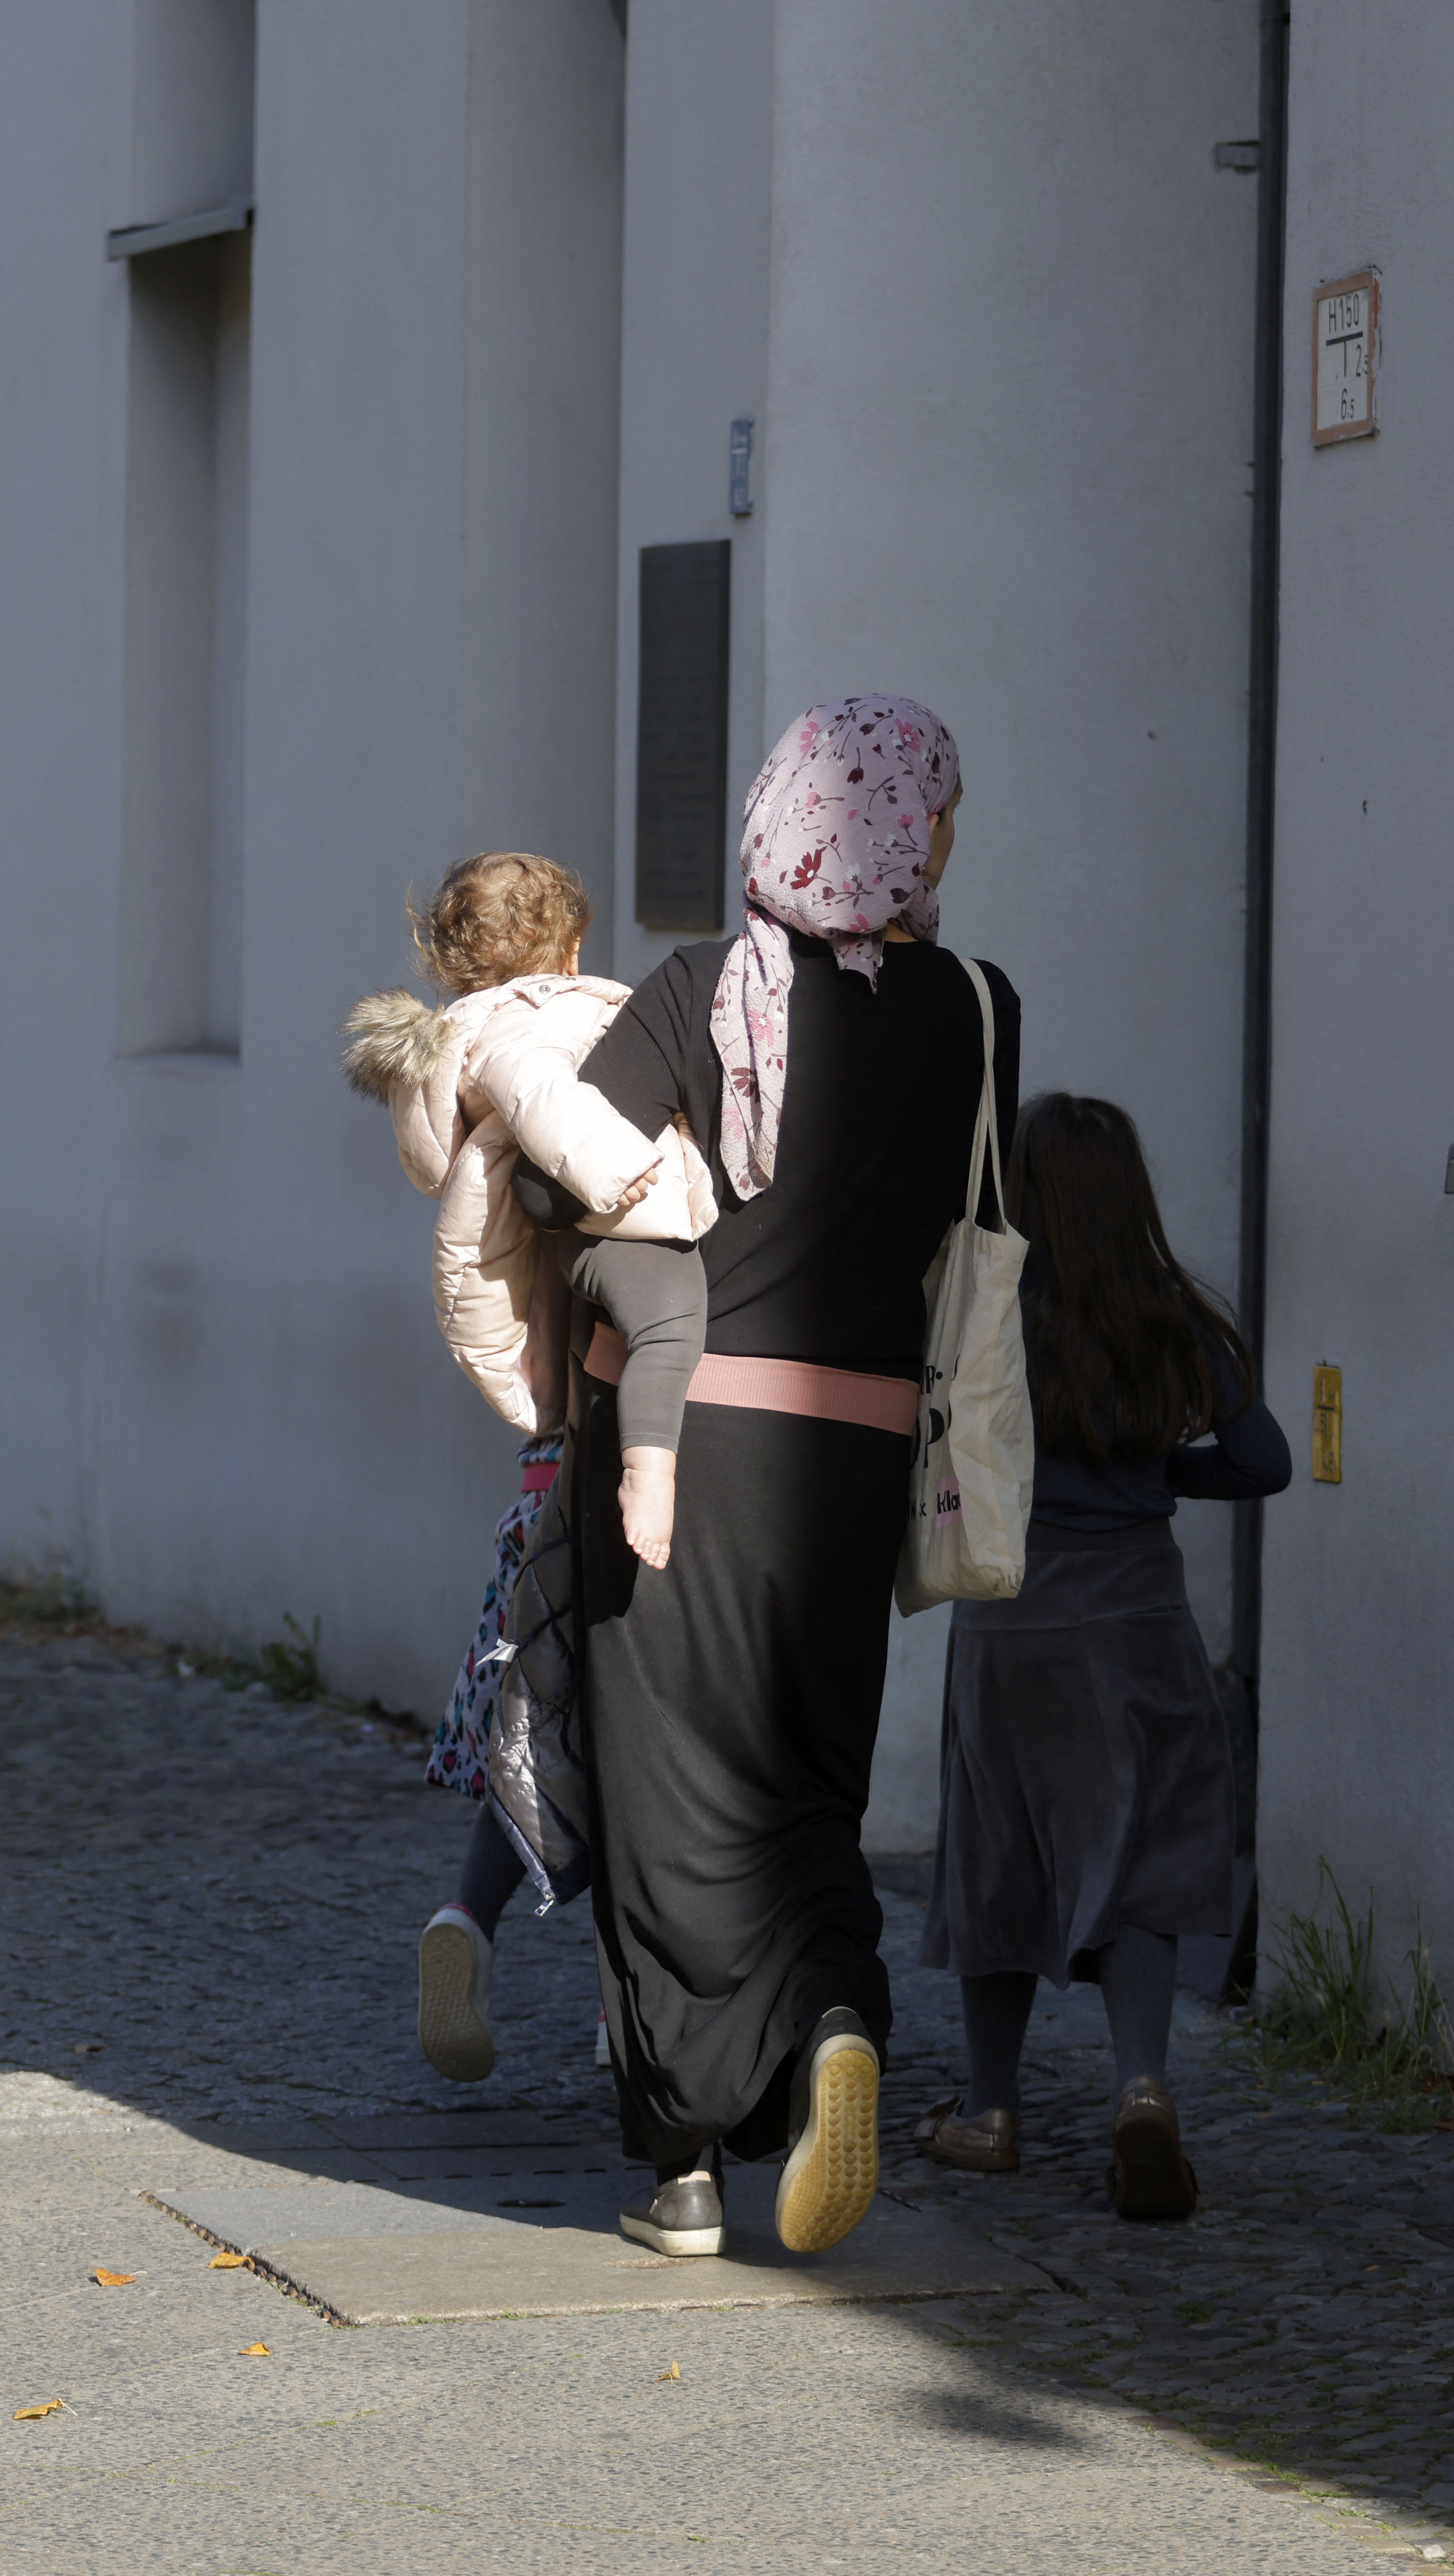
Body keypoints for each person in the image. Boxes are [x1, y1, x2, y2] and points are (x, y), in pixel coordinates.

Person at [567, 695, 1013, 2262]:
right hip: (858, 1454)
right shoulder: (975, 1005)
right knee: (810, 1774)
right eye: (944, 815)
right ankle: (832, 2015)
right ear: (905, 831)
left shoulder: (693, 994)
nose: (951, 839)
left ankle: (685, 2160)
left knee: (669, 1782)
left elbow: (583, 1190)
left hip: (677, 1446)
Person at [338, 850, 719, 2083]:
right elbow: (619, 1137)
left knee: (533, 1702)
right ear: (568, 945)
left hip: (547, 1438)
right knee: (642, 1725)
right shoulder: (579, 1015)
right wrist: (651, 1183)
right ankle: (631, 2004)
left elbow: (442, 1163)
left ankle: (463, 1920)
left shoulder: (448, 1048)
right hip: (634, 1402)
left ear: (449, 961)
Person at [911, 1093, 1291, 2220]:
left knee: (1001, 1847)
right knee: (1140, 1852)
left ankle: (988, 2111)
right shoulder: (1164, 1306)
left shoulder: (983, 1303)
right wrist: (1159, 1477)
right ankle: (1141, 2085)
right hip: (1138, 1612)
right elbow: (1264, 1460)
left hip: (1011, 1608)